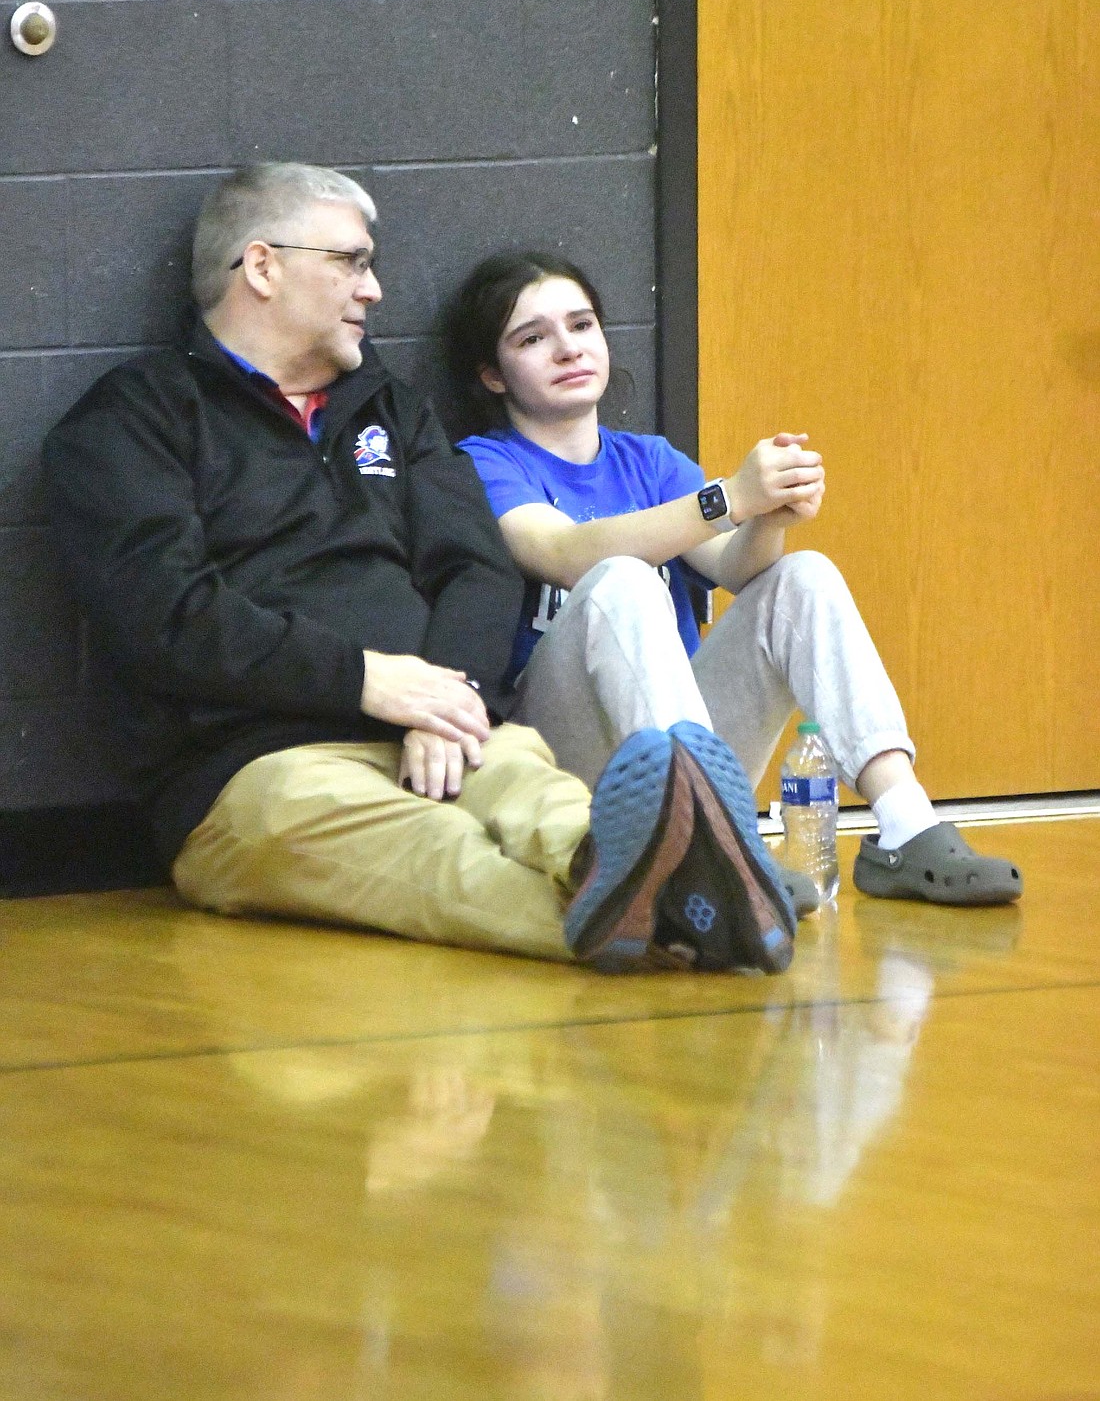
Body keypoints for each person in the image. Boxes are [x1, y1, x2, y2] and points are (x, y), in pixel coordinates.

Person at [41, 164, 801, 975]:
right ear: (262, 267)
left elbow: (476, 569)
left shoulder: (392, 411)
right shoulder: (130, 419)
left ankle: (655, 871)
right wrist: (369, 683)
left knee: (544, 797)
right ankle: (683, 916)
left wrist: (443, 699)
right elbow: (166, 618)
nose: (372, 290)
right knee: (443, 855)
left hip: (446, 732)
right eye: (351, 262)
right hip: (257, 771)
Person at [442, 251, 1022, 908]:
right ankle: (721, 853)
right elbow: (565, 551)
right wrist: (727, 499)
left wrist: (767, 518)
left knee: (804, 573)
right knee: (622, 580)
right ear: (492, 374)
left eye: (582, 325)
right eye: (533, 337)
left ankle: (904, 825)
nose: (567, 348)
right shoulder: (482, 464)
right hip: (564, 761)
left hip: (690, 754)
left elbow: (736, 570)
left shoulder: (650, 461)